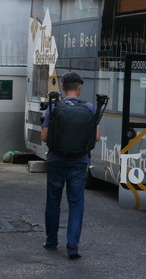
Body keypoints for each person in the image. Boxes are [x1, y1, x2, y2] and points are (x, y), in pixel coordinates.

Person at [41, 72, 100, 260]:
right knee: (76, 203)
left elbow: (44, 137)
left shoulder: (54, 107)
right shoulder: (89, 108)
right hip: (79, 162)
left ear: (63, 87)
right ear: (79, 87)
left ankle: (51, 242)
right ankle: (72, 246)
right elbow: (96, 137)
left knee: (53, 201)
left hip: (56, 161)